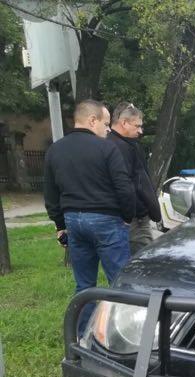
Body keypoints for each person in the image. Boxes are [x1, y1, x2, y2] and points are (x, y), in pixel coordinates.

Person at [43, 99, 136, 334]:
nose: (107, 130)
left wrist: (60, 225)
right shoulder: (106, 149)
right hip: (107, 220)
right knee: (120, 283)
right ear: (92, 120)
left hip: (74, 222)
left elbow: (50, 193)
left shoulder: (55, 150)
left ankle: (81, 337)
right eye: (105, 124)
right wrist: (127, 216)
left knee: (84, 285)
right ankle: (123, 336)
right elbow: (124, 187)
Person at [108, 102, 162, 254]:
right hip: (133, 217)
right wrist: (134, 213)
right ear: (124, 123)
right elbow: (126, 184)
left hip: (127, 215)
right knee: (144, 260)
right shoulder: (120, 147)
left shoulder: (114, 143)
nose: (140, 131)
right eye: (137, 126)